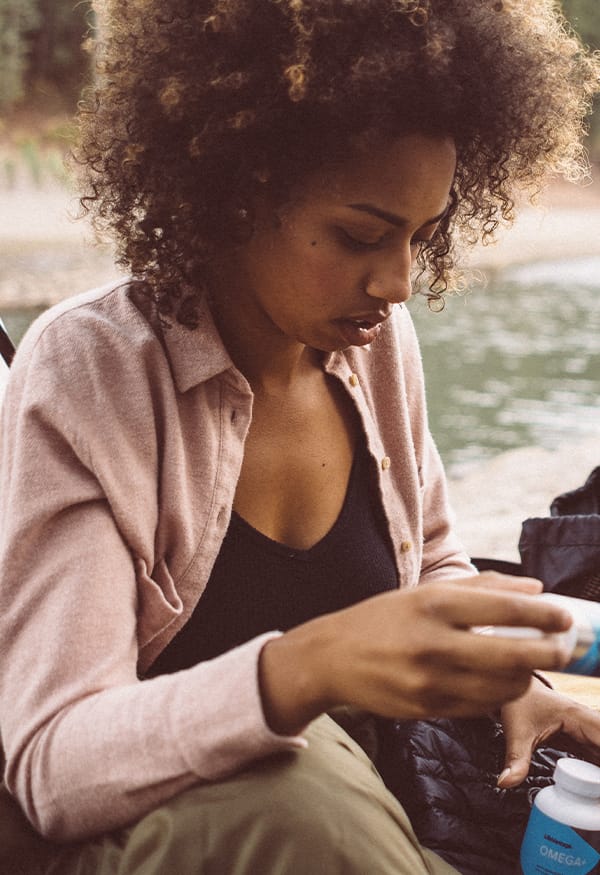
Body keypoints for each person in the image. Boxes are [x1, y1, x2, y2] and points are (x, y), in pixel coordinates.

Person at [1, 1, 599, 872]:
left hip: (383, 804)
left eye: (422, 236)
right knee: (297, 780)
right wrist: (305, 670)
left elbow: (431, 558)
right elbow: (54, 760)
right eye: (361, 235)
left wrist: (512, 679)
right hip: (177, 834)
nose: (398, 282)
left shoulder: (373, 342)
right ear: (241, 189)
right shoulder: (91, 371)